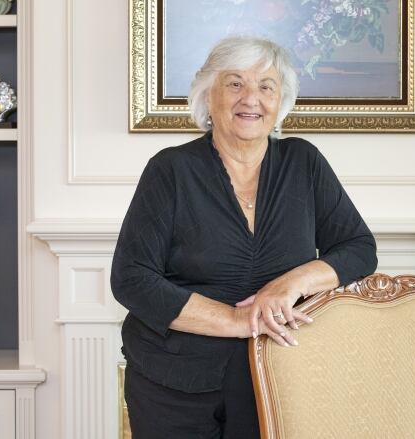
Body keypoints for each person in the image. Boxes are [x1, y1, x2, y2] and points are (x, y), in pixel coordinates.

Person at [111, 36, 377, 439]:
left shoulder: (303, 162)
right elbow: (131, 279)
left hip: (278, 375)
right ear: (208, 97)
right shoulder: (170, 170)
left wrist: (287, 286)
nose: (251, 98)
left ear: (279, 101)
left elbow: (358, 248)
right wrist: (237, 320)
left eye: (266, 86)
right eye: (235, 83)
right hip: (174, 381)